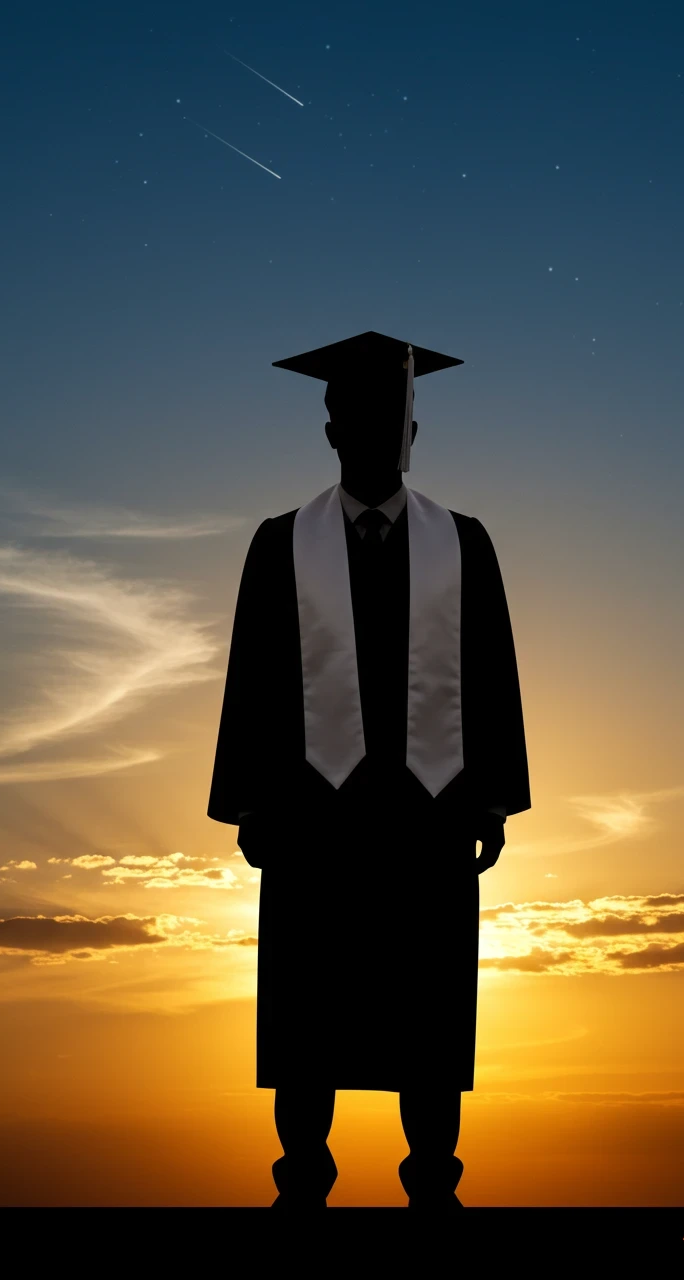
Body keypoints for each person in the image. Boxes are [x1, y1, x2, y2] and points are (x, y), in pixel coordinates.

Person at [207, 330, 531, 1208]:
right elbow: (253, 680)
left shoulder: (465, 543)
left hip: (428, 819)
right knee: (313, 1014)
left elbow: (491, 672)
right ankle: (302, 1182)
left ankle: (434, 1184)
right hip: (314, 824)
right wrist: (248, 808)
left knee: (423, 1015)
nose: (380, 432)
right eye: (361, 415)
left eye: (396, 416)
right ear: (330, 429)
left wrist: (494, 801)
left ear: (415, 433)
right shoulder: (280, 544)